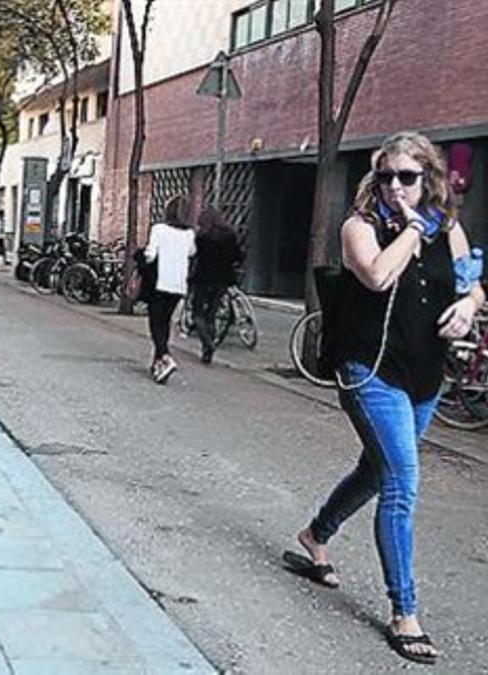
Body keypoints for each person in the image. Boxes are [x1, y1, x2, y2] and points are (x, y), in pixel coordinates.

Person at [291, 132, 484, 665]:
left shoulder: (448, 227)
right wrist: (411, 228)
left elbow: (472, 281)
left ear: (429, 180)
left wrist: (469, 304)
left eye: (408, 177)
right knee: (401, 481)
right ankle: (405, 611)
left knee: (375, 473)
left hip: (424, 373)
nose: (396, 186)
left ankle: (316, 534)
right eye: (386, 176)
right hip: (370, 370)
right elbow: (376, 276)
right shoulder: (361, 226)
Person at [143, 195, 195, 383]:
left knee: (156, 323)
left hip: (160, 283)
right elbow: (192, 253)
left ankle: (165, 356)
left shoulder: (159, 229)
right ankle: (158, 364)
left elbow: (150, 255)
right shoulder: (189, 234)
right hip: (178, 285)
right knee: (165, 322)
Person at [190, 206, 243, 364]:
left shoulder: (201, 237)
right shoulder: (230, 236)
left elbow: (194, 256)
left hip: (203, 279)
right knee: (211, 314)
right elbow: (238, 256)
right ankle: (208, 350)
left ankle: (207, 343)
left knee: (197, 314)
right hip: (222, 280)